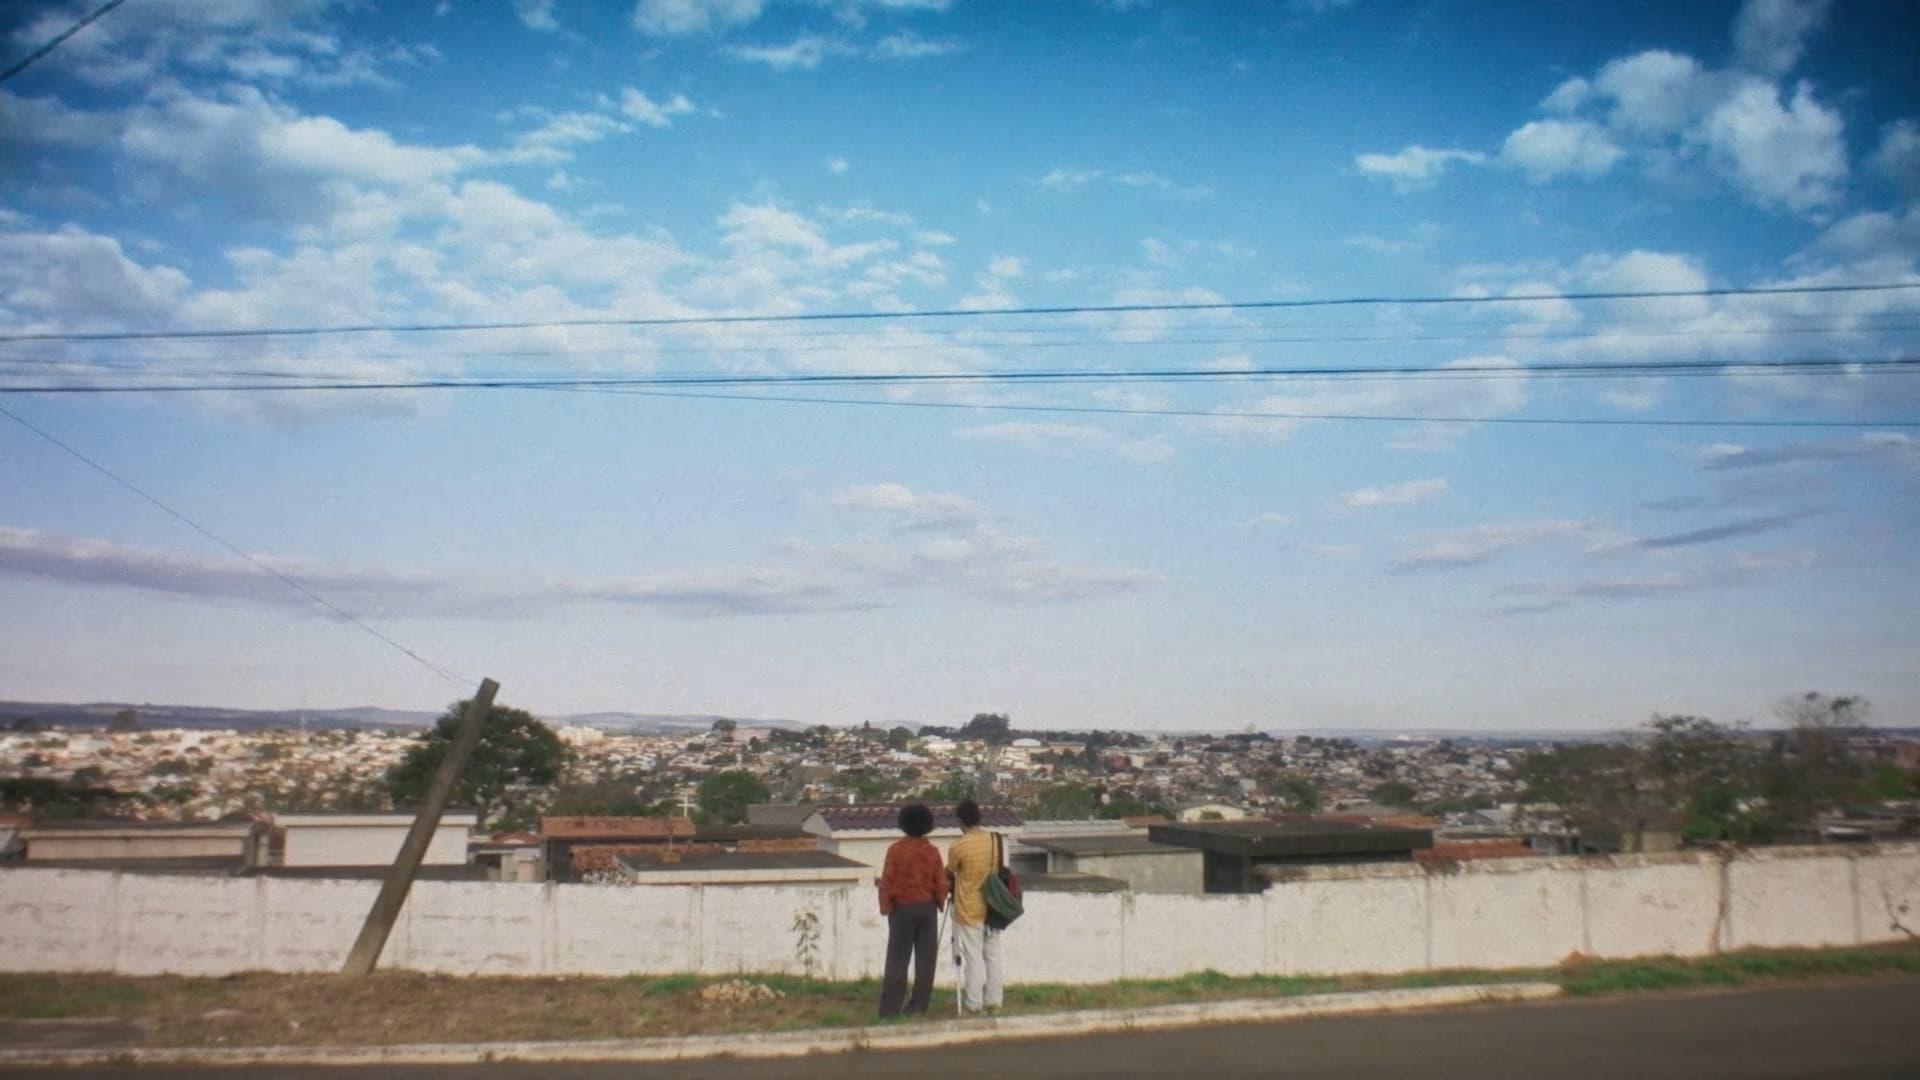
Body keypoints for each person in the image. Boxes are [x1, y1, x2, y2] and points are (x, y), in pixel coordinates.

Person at [876, 802, 946, 1018]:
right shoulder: (932, 852)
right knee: (926, 961)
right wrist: (940, 902)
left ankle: (890, 1010)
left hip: (902, 909)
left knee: (897, 959)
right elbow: (941, 883)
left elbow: (887, 881)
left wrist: (885, 907)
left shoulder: (895, 850)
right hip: (927, 910)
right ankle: (918, 1007)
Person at [944, 798, 1003, 1014]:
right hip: (994, 907)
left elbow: (949, 871)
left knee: (973, 957)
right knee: (993, 956)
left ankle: (973, 1003)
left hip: (969, 907)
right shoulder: (993, 840)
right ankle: (994, 1002)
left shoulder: (958, 846)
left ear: (960, 821)